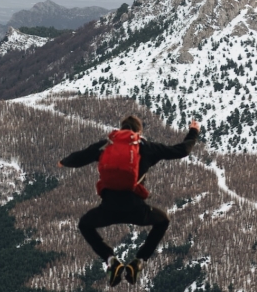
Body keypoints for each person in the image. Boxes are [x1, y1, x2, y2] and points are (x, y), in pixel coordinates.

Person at [58, 115, 200, 286]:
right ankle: (138, 261)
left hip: (108, 209)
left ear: (121, 128)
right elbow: (181, 151)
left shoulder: (106, 145)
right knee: (163, 221)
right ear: (139, 131)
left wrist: (63, 162)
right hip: (136, 209)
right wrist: (193, 132)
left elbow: (80, 157)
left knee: (84, 224)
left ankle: (111, 260)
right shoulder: (146, 147)